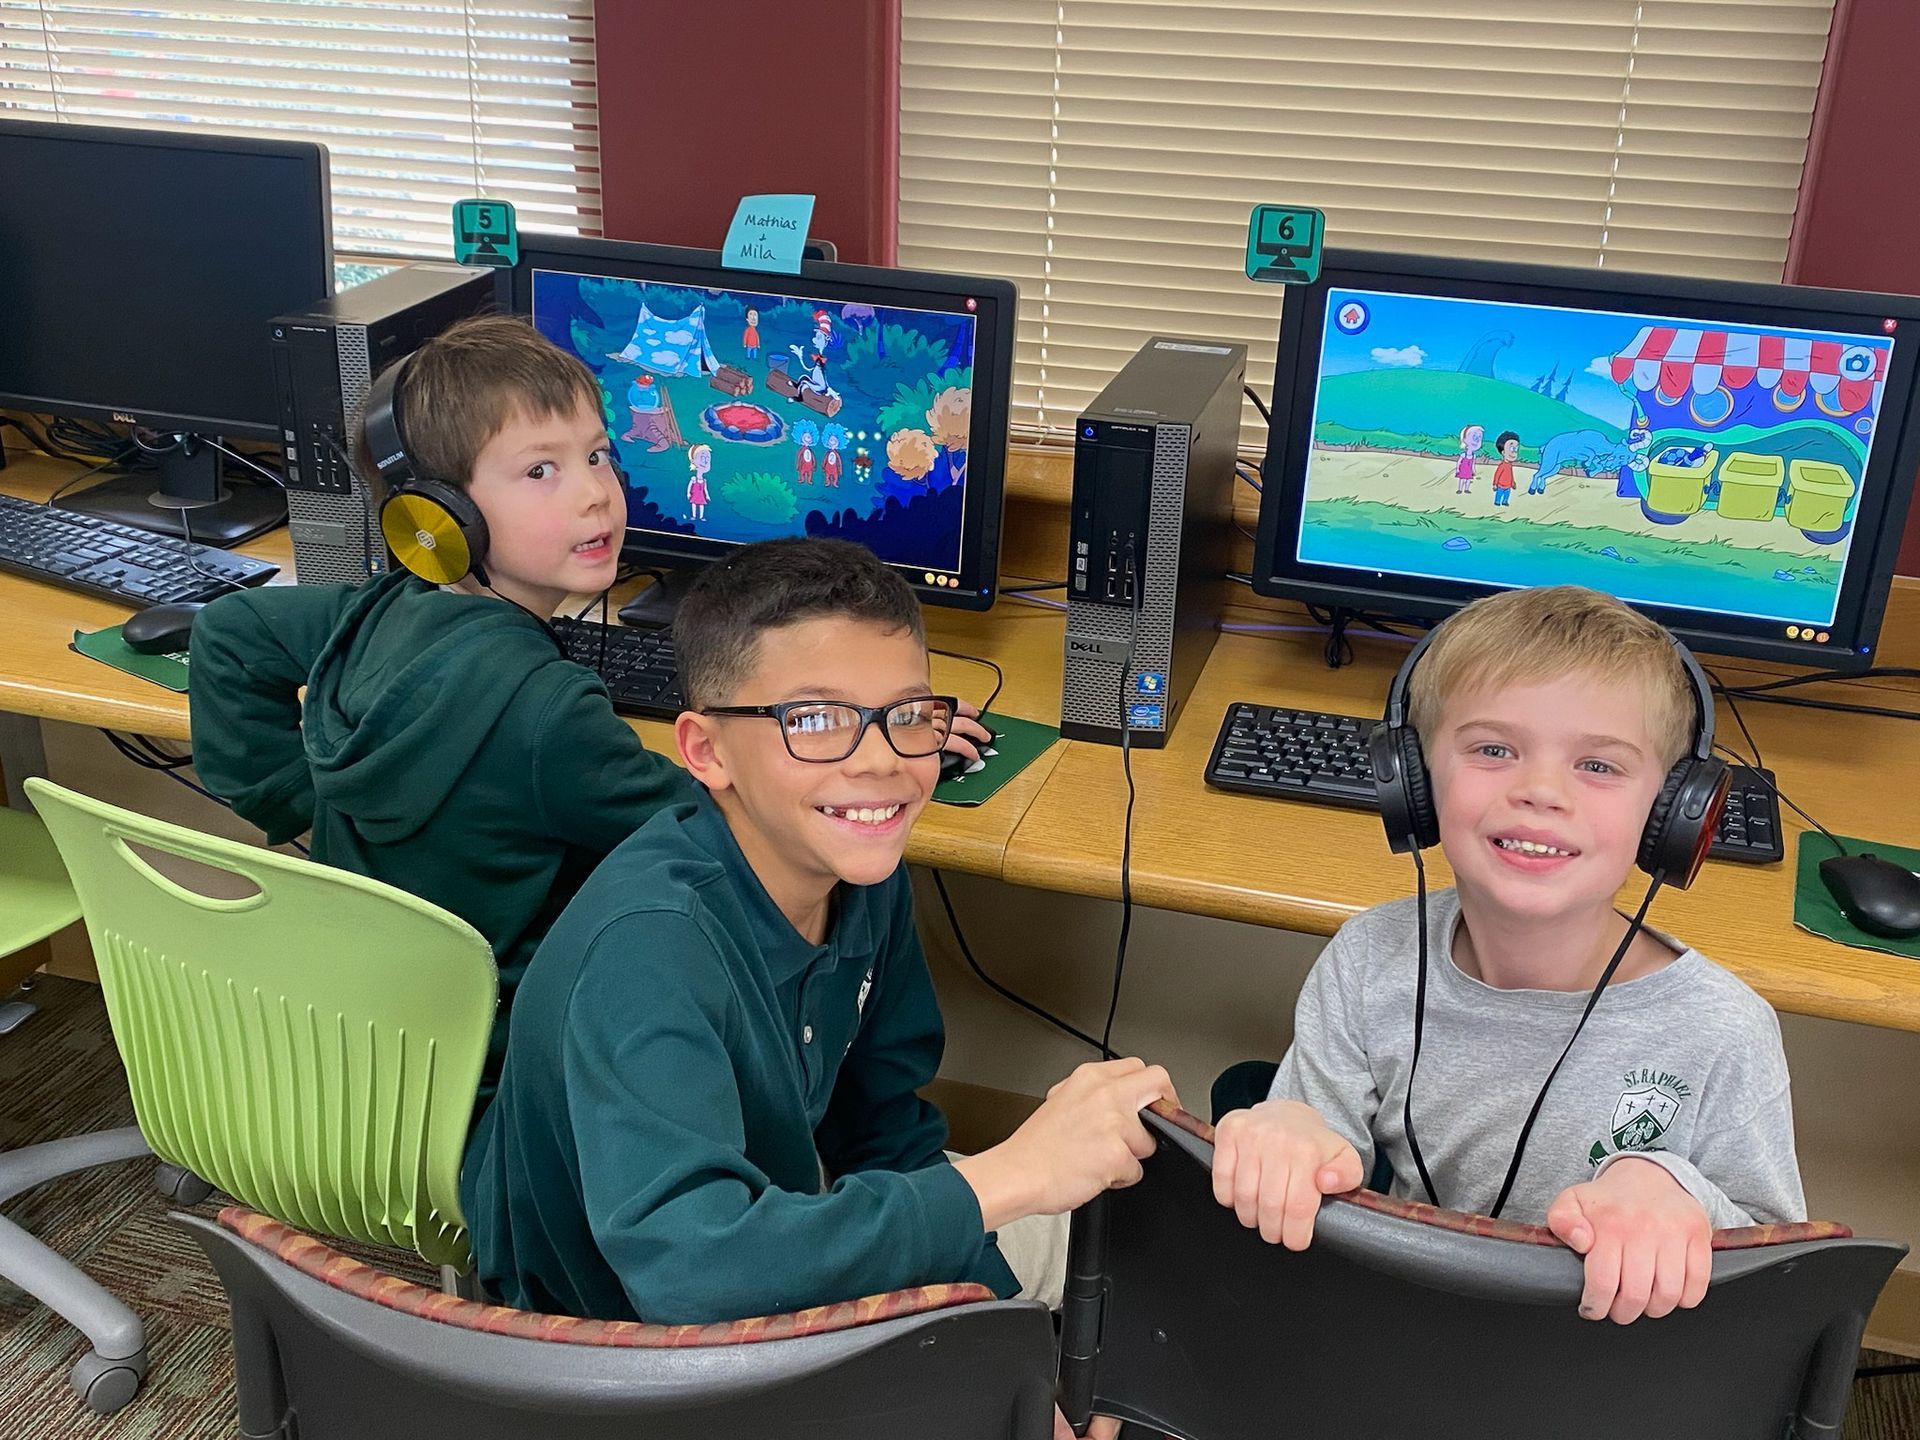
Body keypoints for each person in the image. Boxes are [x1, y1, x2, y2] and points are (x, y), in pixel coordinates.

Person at [463, 538, 1173, 1436]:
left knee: (1147, 1264)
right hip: (627, 1353)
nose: (879, 762)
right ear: (707, 750)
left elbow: (888, 1135)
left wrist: (1012, 1365)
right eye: (815, 720)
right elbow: (692, 1273)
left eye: (908, 713)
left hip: (777, 1234)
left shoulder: (858, 877)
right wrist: (1005, 1180)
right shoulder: (650, 952)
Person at [1210, 585, 1803, 1326]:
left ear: (1672, 815)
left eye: (1600, 766)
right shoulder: (1371, 958)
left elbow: (1771, 1266)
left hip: (1600, 1364)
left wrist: (1675, 1190)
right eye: (1494, 749)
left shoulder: (1723, 1030)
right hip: (1403, 1327)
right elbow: (1322, 1163)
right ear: (1415, 782)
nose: (1541, 791)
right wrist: (1293, 1136)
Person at [191, 315, 697, 1112]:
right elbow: (711, 830)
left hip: (375, 1040)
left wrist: (299, 804)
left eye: (598, 454)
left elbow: (229, 631)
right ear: (435, 513)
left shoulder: (378, 612)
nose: (597, 491)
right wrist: (850, 729)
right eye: (541, 471)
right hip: (508, 1071)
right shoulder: (549, 716)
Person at [1491, 429, 1520, 505]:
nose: (1514, 452)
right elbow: (1497, 475)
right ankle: (1497, 501)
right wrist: (1495, 484)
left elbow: (1510, 475)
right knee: (1499, 494)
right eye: (1512, 448)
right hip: (1500, 485)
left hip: (1508, 485)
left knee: (1507, 495)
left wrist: (1513, 483)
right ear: (1503, 452)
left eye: (1516, 449)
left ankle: (1505, 501)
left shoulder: (1510, 466)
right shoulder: (1502, 465)